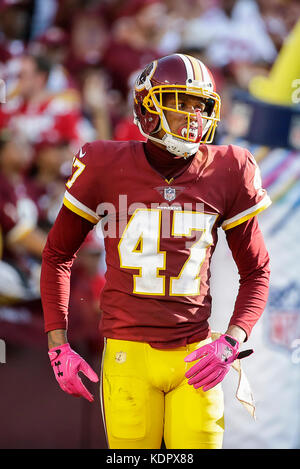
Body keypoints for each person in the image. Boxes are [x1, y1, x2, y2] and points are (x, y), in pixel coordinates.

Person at [40, 53, 271, 449]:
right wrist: (57, 344)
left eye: (201, 105)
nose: (194, 116)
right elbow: (58, 254)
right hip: (129, 354)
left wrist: (232, 339)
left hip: (195, 355)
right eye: (180, 102)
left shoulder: (229, 168)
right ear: (148, 108)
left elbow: (257, 270)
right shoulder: (103, 163)